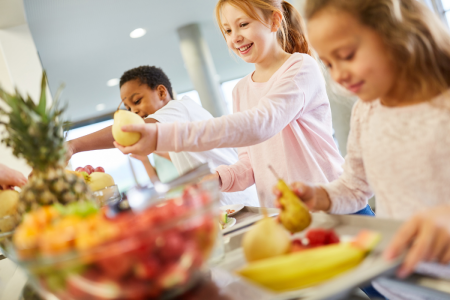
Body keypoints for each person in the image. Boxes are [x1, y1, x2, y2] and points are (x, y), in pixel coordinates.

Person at [113, 0, 373, 216]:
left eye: (243, 25)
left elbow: (260, 124)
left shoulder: (300, 67)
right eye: (227, 30)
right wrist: (219, 178)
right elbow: (250, 162)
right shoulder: (241, 90)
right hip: (285, 215)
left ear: (273, 21)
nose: (235, 37)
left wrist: (161, 136)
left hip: (334, 205)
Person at [278, 0, 450, 281]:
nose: (338, 75)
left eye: (347, 55)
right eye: (329, 63)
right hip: (404, 280)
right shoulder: (365, 111)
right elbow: (355, 187)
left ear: (395, 32)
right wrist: (319, 196)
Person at [67, 66, 258, 206]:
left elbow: (134, 131)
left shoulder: (177, 108)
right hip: (226, 203)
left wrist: (74, 145)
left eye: (137, 101)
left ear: (161, 92)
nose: (135, 112)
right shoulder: (176, 122)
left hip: (237, 201)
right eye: (129, 109)